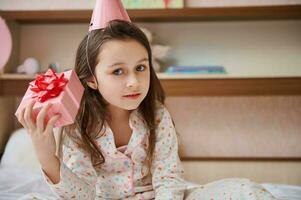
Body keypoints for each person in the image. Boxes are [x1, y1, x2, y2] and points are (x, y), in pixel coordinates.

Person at [17, 0, 278, 199]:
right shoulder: (79, 125)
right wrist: (46, 157)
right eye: (118, 71)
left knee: (245, 190)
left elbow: (169, 179)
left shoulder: (157, 114)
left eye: (140, 68)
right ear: (91, 80)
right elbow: (82, 195)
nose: (134, 81)